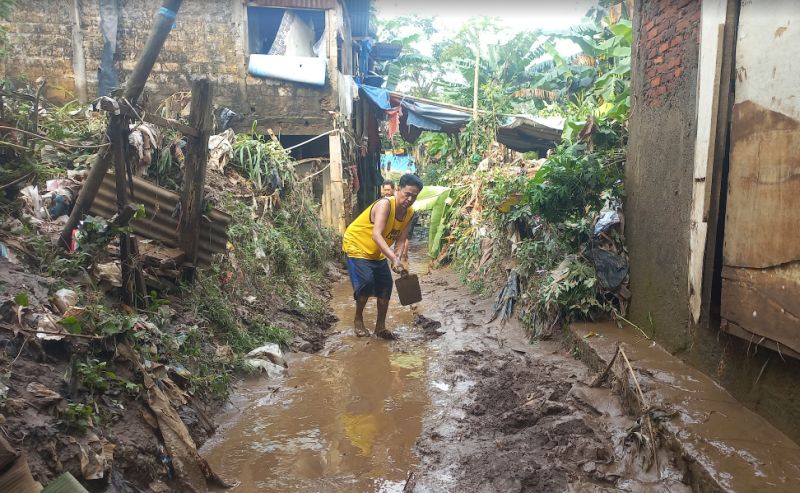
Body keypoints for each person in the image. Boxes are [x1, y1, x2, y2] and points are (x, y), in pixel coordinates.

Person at [342, 174, 423, 339]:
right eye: (407, 194)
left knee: (385, 286)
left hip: (376, 252)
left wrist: (398, 258)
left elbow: (401, 240)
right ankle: (358, 319)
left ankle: (380, 327)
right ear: (398, 189)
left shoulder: (409, 213)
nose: (409, 199)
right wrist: (393, 258)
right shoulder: (385, 205)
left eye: (414, 197)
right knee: (366, 283)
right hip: (356, 244)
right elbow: (376, 235)